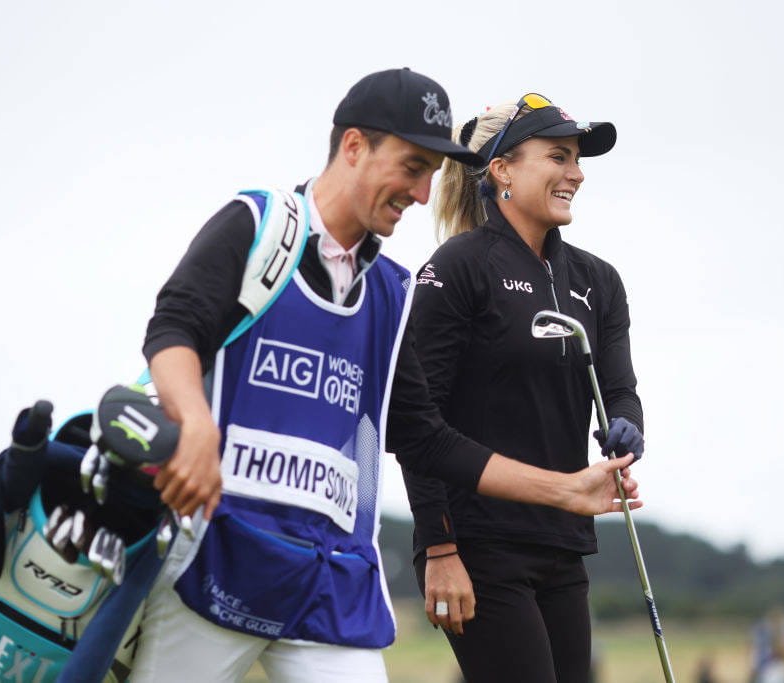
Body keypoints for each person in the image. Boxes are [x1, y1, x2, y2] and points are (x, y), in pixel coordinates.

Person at [133, 71, 641, 682]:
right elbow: (173, 327)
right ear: (354, 146)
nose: (424, 194)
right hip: (217, 557)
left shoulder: (388, 289)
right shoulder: (258, 224)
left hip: (330, 577)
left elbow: (424, 436)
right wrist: (193, 425)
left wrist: (565, 490)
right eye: (412, 167)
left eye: (432, 173)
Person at [401, 93, 645, 682]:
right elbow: (415, 422)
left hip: (564, 542)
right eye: (558, 157)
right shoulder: (457, 268)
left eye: (577, 160)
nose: (576, 174)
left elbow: (620, 390)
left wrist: (627, 428)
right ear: (503, 170)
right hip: (477, 544)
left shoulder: (599, 281)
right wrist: (438, 549)